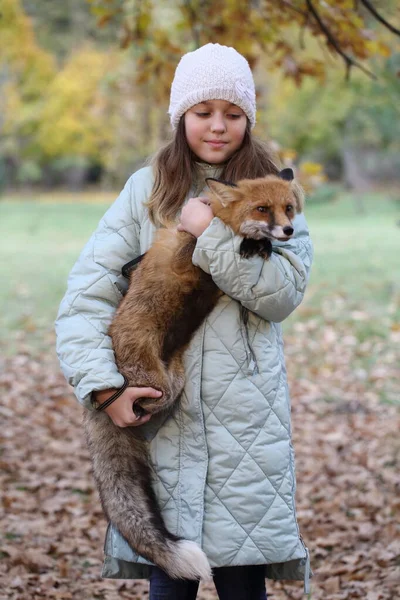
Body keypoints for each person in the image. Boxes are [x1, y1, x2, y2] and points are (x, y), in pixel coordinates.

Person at [55, 43, 313, 600]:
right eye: (203, 112)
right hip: (163, 421)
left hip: (247, 428)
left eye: (233, 113)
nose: (218, 126)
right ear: (180, 118)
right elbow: (85, 299)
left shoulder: (277, 194)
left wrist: (212, 232)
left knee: (244, 586)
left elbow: (280, 295)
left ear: (250, 118)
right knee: (170, 587)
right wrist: (103, 388)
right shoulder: (144, 191)